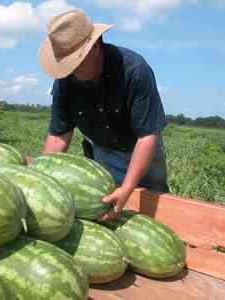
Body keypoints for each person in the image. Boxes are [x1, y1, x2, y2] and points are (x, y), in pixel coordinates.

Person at [35, 9, 169, 222]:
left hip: (141, 147)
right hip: (103, 149)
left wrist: (127, 187)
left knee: (152, 207)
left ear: (95, 47)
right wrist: (39, 180)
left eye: (75, 62)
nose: (72, 70)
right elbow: (59, 136)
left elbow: (147, 137)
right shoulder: (65, 81)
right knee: (106, 208)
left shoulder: (134, 70)